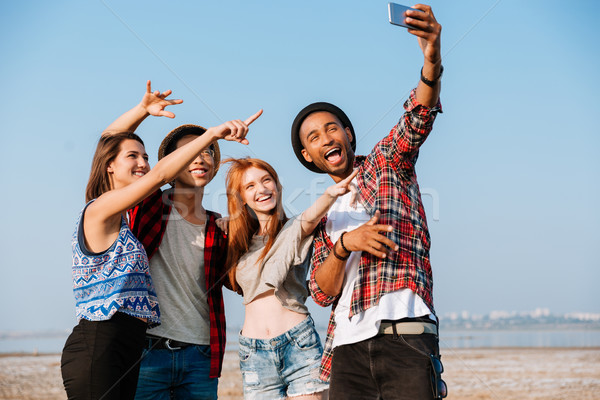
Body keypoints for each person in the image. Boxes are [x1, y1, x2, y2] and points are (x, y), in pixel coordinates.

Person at [61, 81, 260, 400]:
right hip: (146, 353)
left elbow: (237, 281)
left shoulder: (217, 227)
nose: (200, 158)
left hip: (199, 358)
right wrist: (142, 112)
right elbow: (109, 148)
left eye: (208, 151)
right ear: (170, 164)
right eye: (187, 152)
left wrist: (248, 228)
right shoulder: (143, 204)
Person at [289, 5, 446, 400]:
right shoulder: (320, 215)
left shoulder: (387, 163)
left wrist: (431, 59)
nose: (325, 138)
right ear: (309, 156)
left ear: (348, 135)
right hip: (346, 349)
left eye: (331, 129)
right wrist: (345, 245)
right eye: (313, 137)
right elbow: (322, 292)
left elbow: (418, 116)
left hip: (405, 333)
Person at [223, 157, 358, 400]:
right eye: (250, 186)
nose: (262, 189)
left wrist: (332, 193)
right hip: (253, 353)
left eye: (266, 180)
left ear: (277, 185)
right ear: (241, 197)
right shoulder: (237, 242)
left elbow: (309, 217)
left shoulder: (294, 228)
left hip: (298, 344)